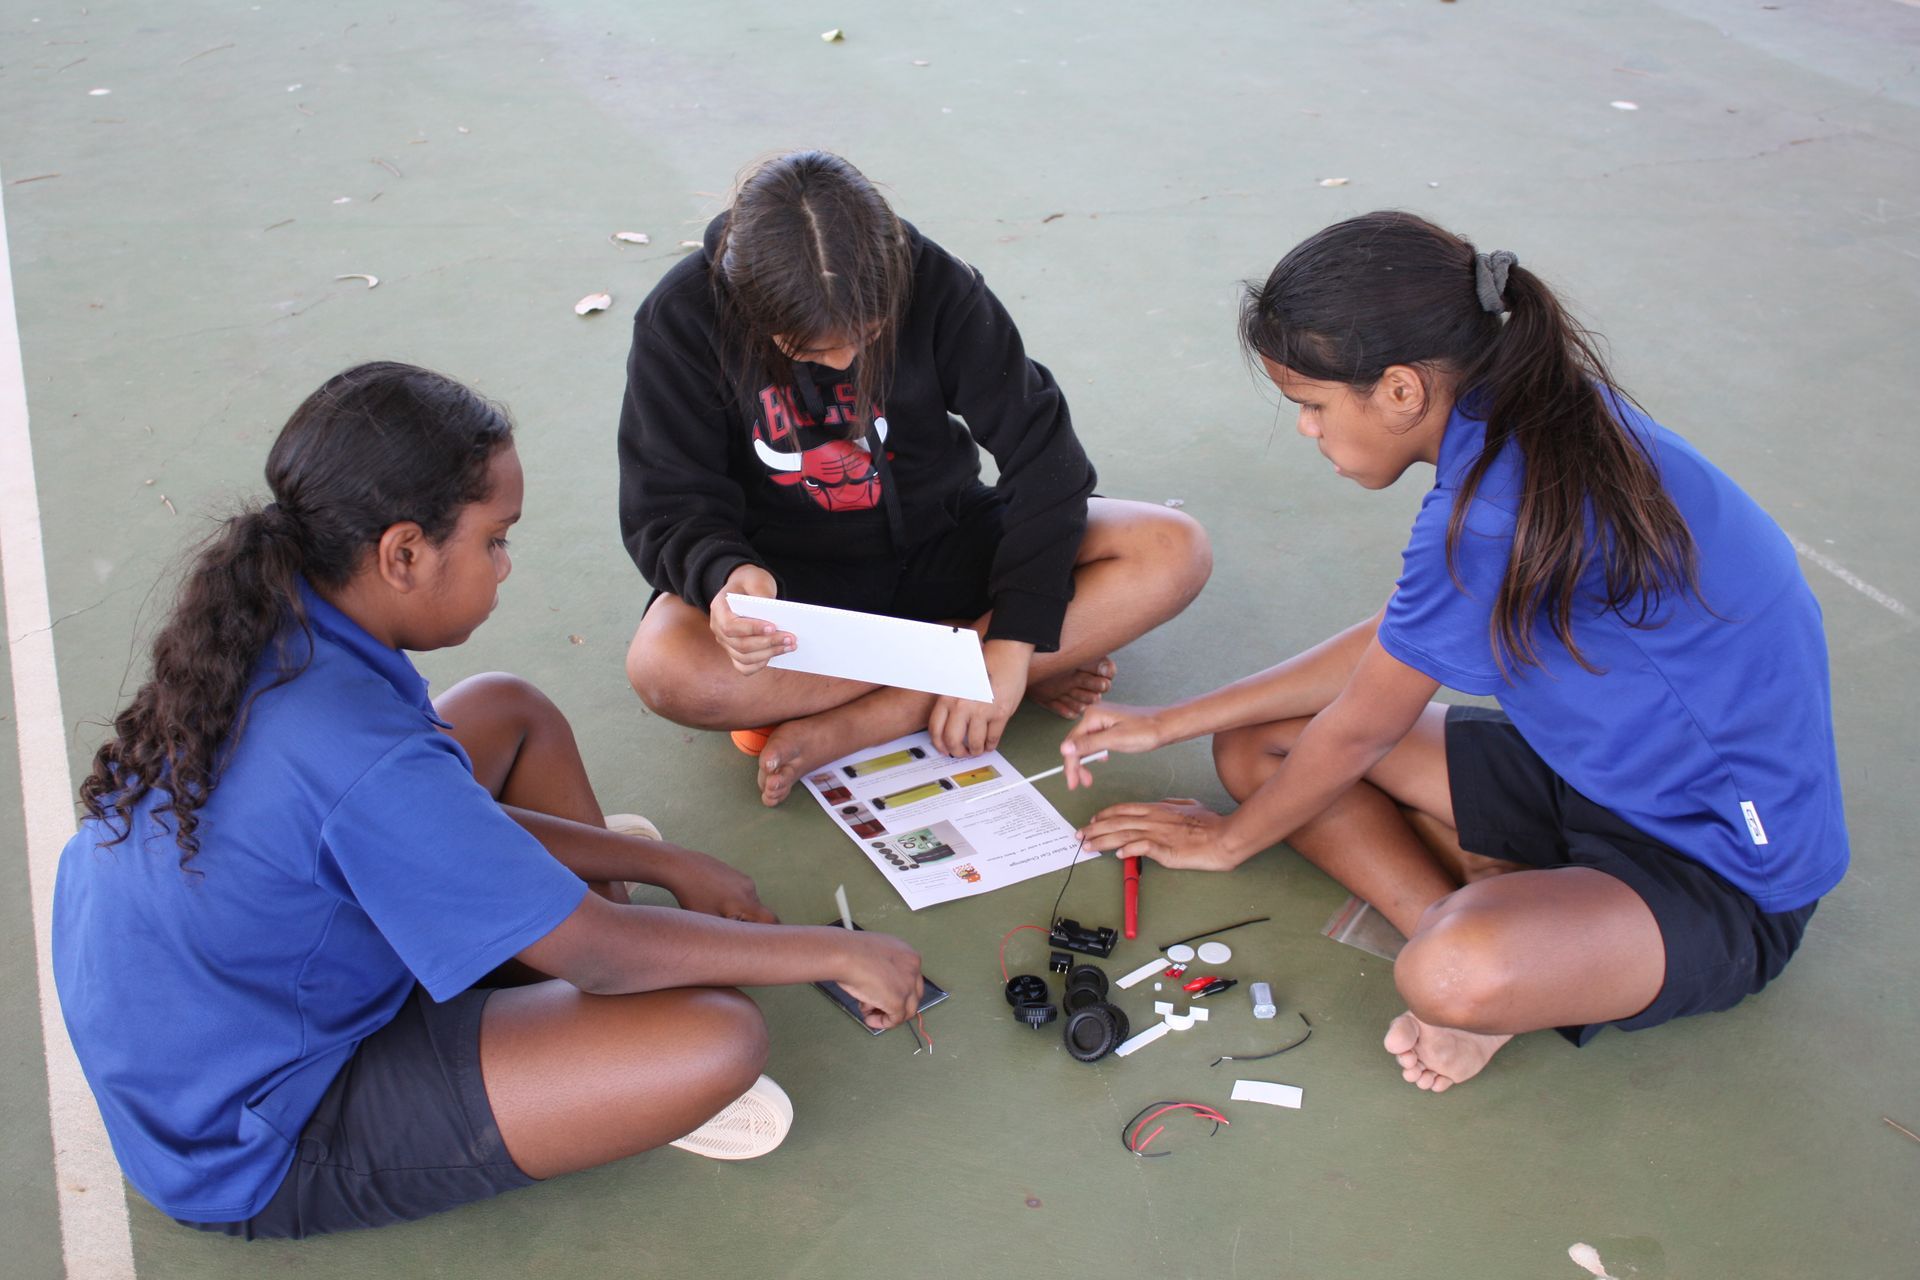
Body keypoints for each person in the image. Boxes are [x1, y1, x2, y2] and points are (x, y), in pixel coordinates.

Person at [53, 363, 924, 1239]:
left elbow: (401, 816)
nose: (506, 566)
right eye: (495, 540)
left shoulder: (281, 607)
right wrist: (837, 955)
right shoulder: (362, 754)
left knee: (507, 710)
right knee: (715, 1036)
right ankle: (601, 1064)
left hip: (200, 1009)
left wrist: (665, 862)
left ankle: (553, 987)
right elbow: (603, 957)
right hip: (253, 1128)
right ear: (402, 553)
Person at [1061, 212, 1848, 1093]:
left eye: (1313, 406)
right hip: (1594, 770)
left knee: (1446, 976)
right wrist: (1168, 722)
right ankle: (1521, 935)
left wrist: (1229, 844)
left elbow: (1362, 727)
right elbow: (1403, 641)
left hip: (1721, 867)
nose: (1307, 430)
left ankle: (1510, 969)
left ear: (1401, 391)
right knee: (1257, 746)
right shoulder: (1533, 412)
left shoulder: (1491, 506)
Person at [619, 150, 1212, 806]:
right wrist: (725, 578)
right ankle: (988, 657)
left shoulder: (934, 281)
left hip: (944, 538)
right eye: (809, 350)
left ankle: (879, 716)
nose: (844, 360)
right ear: (751, 309)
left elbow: (1047, 458)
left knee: (1174, 549)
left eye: (866, 334)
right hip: (799, 587)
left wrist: (1013, 645)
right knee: (667, 670)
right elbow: (667, 503)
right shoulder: (682, 317)